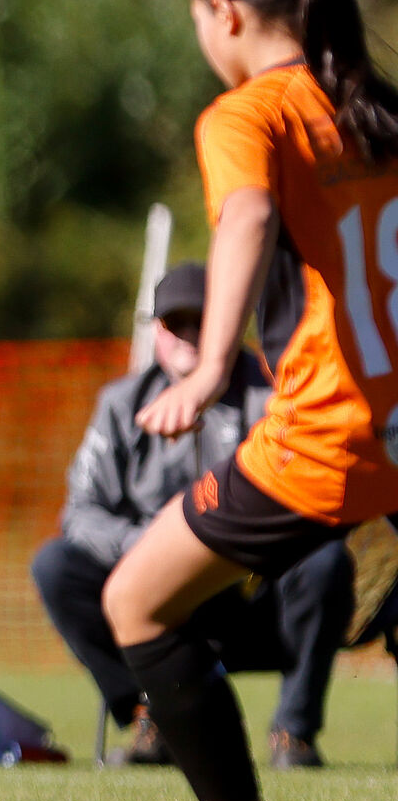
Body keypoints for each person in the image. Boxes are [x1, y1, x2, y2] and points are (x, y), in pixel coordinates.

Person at [104, 0, 398, 801]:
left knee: (135, 603)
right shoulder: (371, 104)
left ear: (220, 12)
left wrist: (204, 365)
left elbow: (246, 216)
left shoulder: (247, 112)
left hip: (332, 426)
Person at [35, 262, 352, 769]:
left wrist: (227, 544)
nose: (187, 335)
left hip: (252, 594)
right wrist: (150, 544)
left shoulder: (273, 398)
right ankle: (149, 715)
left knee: (326, 559)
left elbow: (309, 499)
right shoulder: (120, 405)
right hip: (156, 595)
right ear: (156, 331)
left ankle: (294, 732)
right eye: (173, 323)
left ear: (226, 322)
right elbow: (80, 512)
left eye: (200, 320)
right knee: (55, 565)